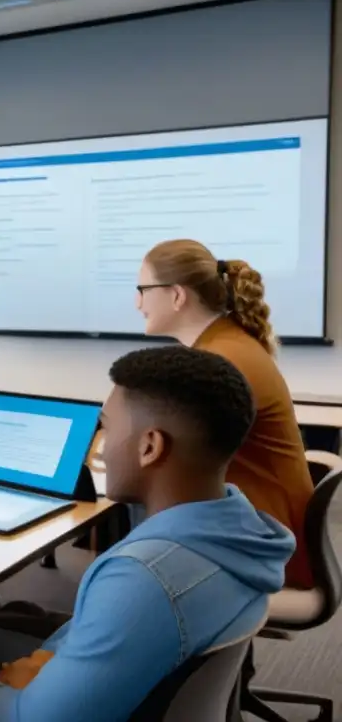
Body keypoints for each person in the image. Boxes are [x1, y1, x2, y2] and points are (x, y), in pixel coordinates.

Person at [0, 345, 295, 722]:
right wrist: (47, 660)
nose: (101, 443)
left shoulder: (143, 577)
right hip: (134, 685)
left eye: (106, 427)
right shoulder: (238, 526)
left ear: (150, 447)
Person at [138, 239, 314, 589]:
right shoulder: (224, 345)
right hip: (261, 524)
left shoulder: (220, 360)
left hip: (266, 543)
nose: (137, 302)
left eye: (143, 289)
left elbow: (167, 456)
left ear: (177, 295)